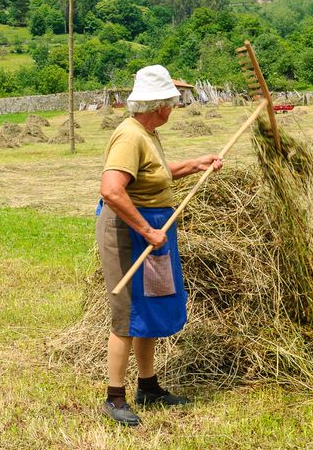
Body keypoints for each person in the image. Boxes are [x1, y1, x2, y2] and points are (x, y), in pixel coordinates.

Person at [96, 65, 224, 426]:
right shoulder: (129, 136)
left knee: (148, 308)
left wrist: (196, 165)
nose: (174, 108)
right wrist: (145, 230)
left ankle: (148, 387)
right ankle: (114, 397)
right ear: (158, 106)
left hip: (151, 229)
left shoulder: (147, 133)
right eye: (172, 102)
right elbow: (112, 189)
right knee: (127, 312)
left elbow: (156, 175)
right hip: (126, 232)